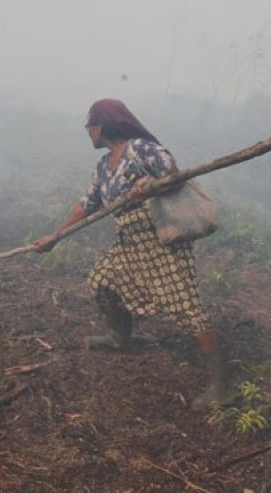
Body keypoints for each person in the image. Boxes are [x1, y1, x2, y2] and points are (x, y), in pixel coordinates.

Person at [33, 99, 230, 410]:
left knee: (186, 307)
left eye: (89, 125)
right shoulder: (103, 166)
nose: (87, 132)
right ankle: (120, 338)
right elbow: (86, 205)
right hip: (129, 241)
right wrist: (55, 236)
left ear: (102, 125)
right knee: (102, 281)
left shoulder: (140, 148)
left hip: (160, 241)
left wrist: (149, 187)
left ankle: (222, 387)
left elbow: (172, 175)